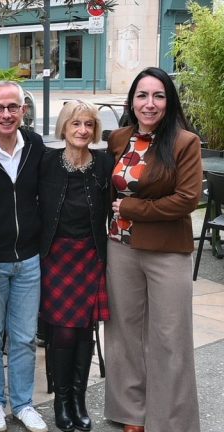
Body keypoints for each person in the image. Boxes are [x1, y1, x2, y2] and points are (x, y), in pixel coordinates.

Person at [105, 67, 202, 432]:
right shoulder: (119, 138)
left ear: (168, 100)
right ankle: (131, 412)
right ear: (132, 100)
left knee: (170, 335)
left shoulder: (184, 142)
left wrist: (131, 209)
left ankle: (170, 420)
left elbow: (186, 200)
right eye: (142, 96)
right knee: (124, 333)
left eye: (158, 96)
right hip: (120, 247)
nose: (149, 104)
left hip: (167, 251)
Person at [0, 81, 48, 432]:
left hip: (29, 258)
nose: (6, 114)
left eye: (12, 107)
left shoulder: (34, 144)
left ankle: (22, 403)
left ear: (23, 110)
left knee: (24, 336)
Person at [39, 101, 113, 432]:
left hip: (90, 255)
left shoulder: (104, 163)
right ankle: (61, 400)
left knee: (85, 330)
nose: (82, 130)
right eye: (76, 124)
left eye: (88, 124)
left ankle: (78, 401)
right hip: (56, 256)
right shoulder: (47, 162)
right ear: (64, 127)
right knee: (64, 332)